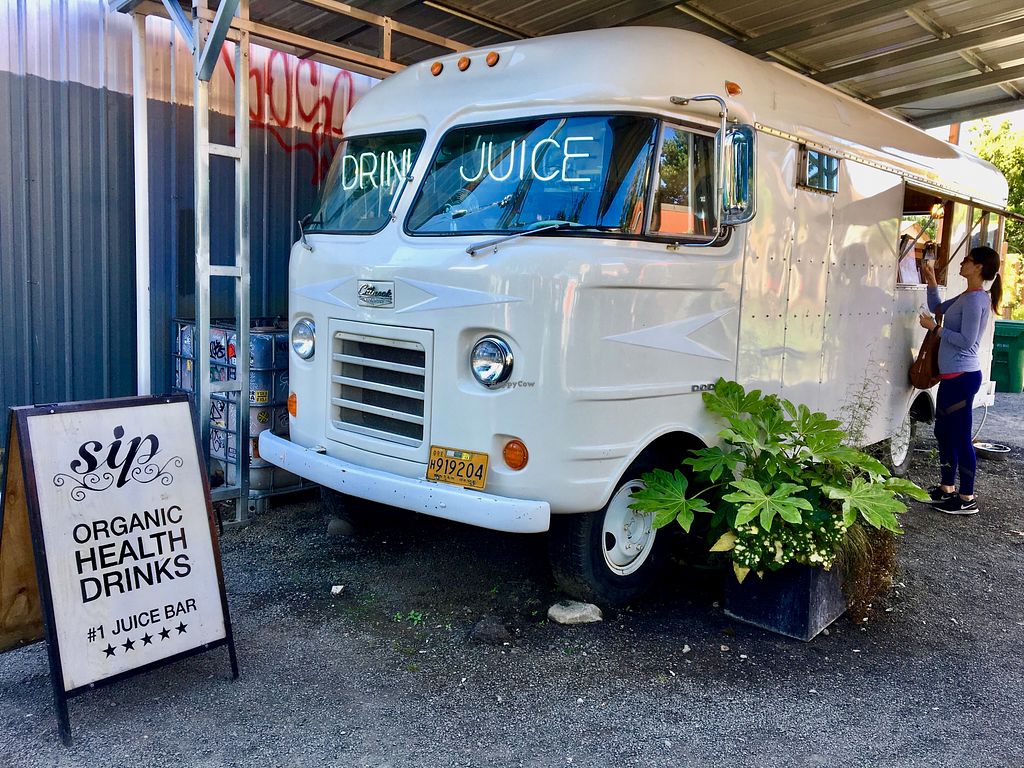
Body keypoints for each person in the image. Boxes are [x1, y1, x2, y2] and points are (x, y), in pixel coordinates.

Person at [918, 245, 1003, 514]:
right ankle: (947, 489)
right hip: (952, 377)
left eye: (966, 260)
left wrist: (936, 329)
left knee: (960, 437)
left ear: (978, 267)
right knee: (943, 432)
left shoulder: (977, 300)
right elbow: (938, 306)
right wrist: (931, 281)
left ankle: (967, 497)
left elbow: (967, 342)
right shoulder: (967, 295)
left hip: (963, 378)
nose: (961, 264)